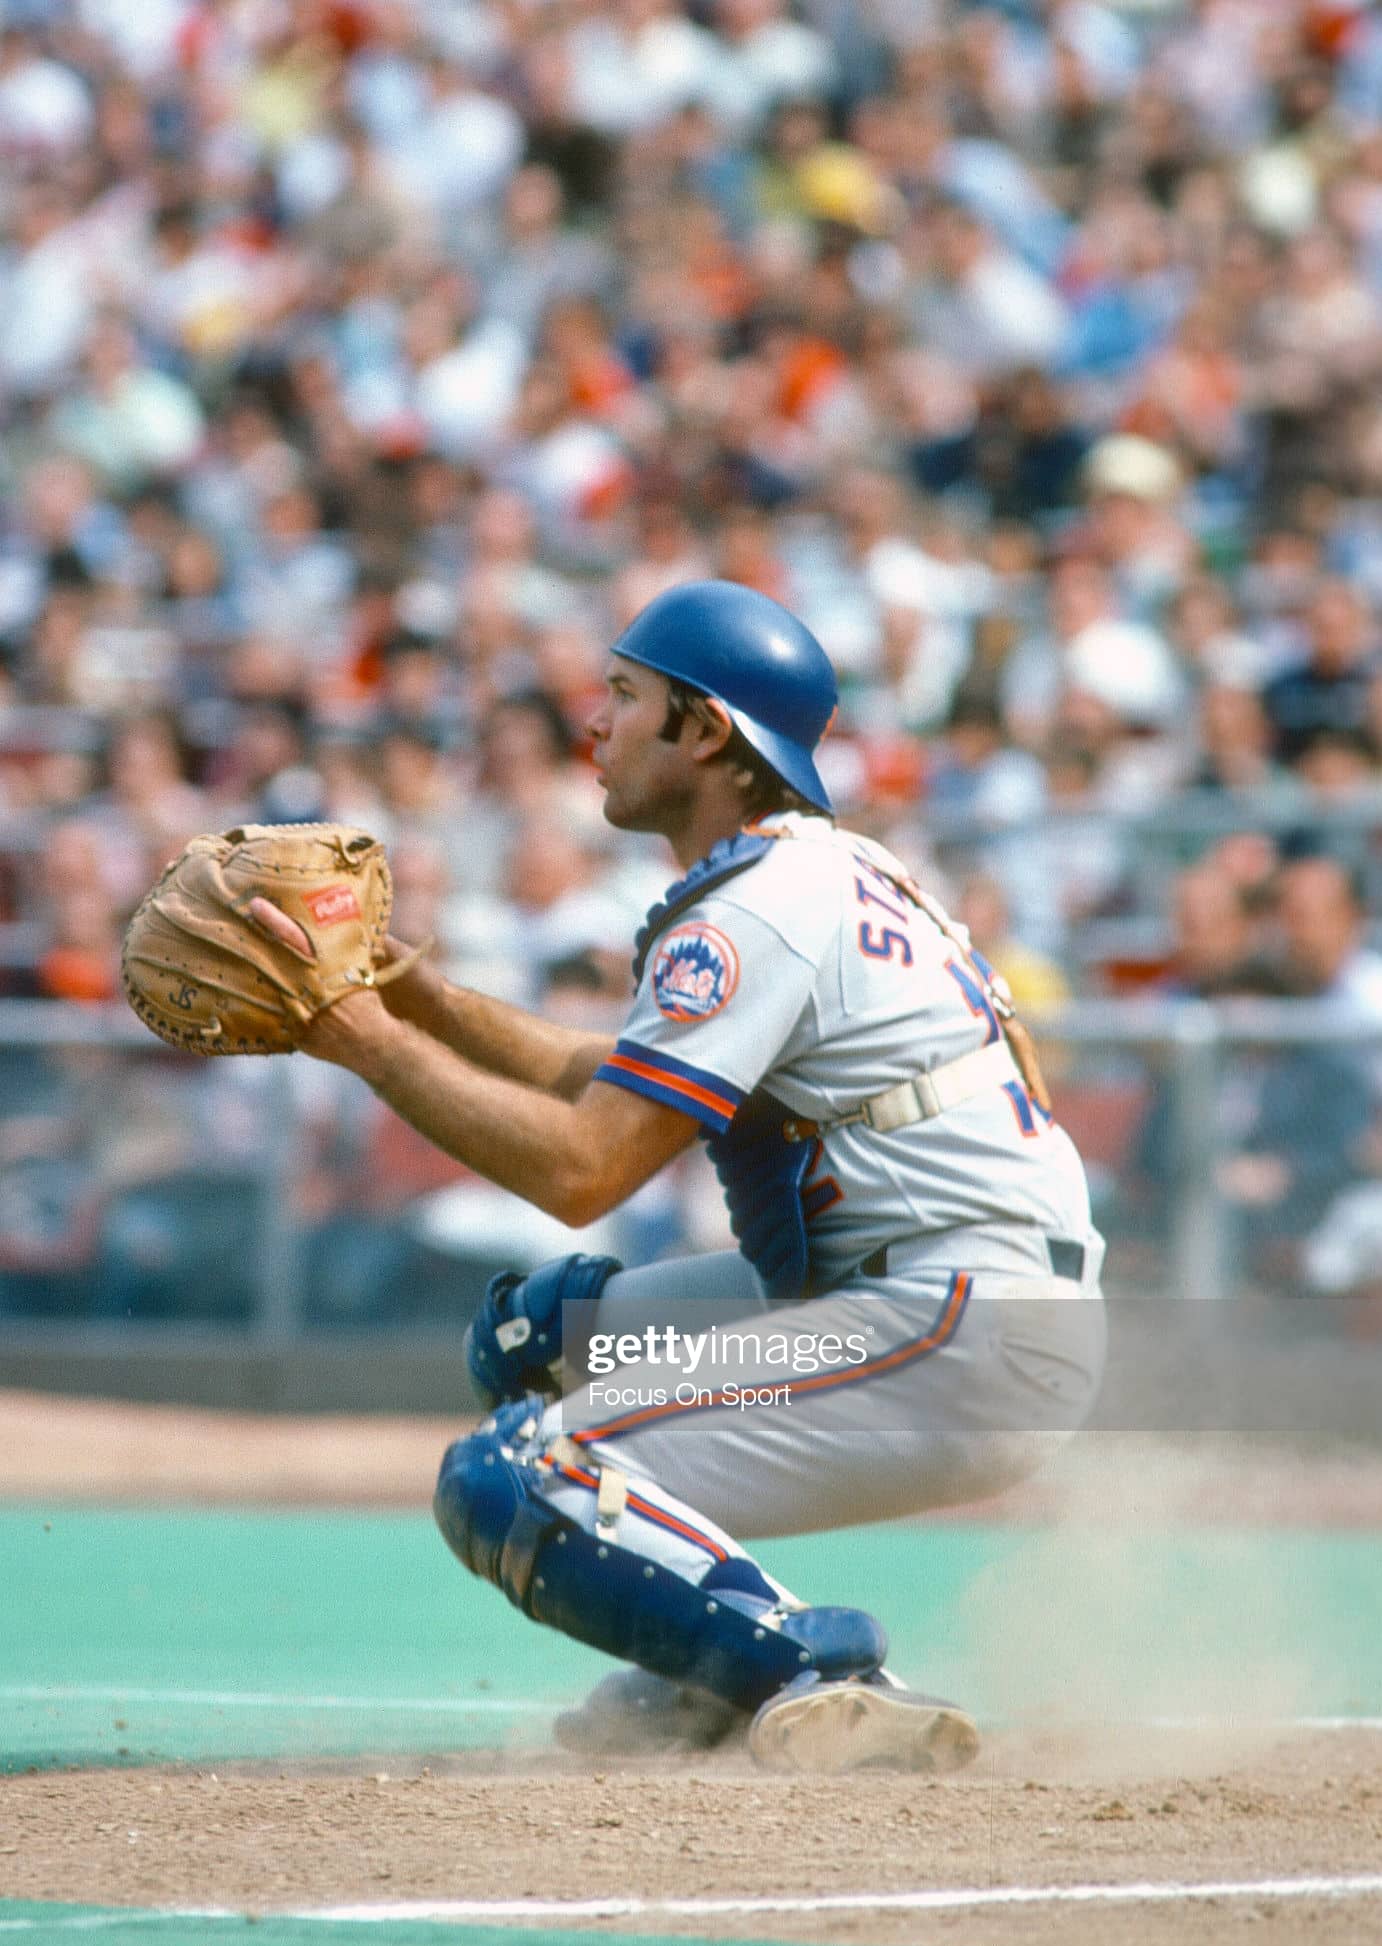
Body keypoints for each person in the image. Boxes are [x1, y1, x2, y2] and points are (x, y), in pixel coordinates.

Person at [252, 582, 1105, 1773]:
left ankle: (817, 1676)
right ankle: (717, 1668)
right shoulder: (816, 870)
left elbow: (580, 1166)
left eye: (623, 695)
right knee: (539, 1335)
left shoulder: (758, 907)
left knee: (515, 1473)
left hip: (953, 1320)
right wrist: (417, 1000)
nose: (591, 723)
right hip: (921, 1290)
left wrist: (357, 1040)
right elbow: (592, 1072)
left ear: (705, 731)